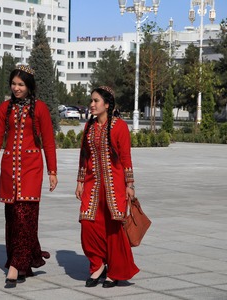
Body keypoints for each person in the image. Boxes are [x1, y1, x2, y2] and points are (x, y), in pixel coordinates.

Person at [0, 64, 58, 288]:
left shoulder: (40, 108)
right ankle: (25, 260)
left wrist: (53, 171)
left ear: (29, 87)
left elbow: (49, 142)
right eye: (13, 84)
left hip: (32, 169)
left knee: (26, 216)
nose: (16, 88)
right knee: (14, 219)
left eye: (21, 84)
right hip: (9, 170)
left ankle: (15, 266)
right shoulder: (5, 108)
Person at [75, 86, 139, 288]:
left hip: (114, 186)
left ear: (107, 104)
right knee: (88, 224)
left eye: (96, 101)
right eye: (91, 101)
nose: (92, 105)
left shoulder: (119, 126)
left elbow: (126, 156)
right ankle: (97, 265)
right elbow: (83, 156)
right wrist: (79, 181)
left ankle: (114, 270)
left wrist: (130, 184)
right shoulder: (89, 127)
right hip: (92, 185)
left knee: (113, 229)